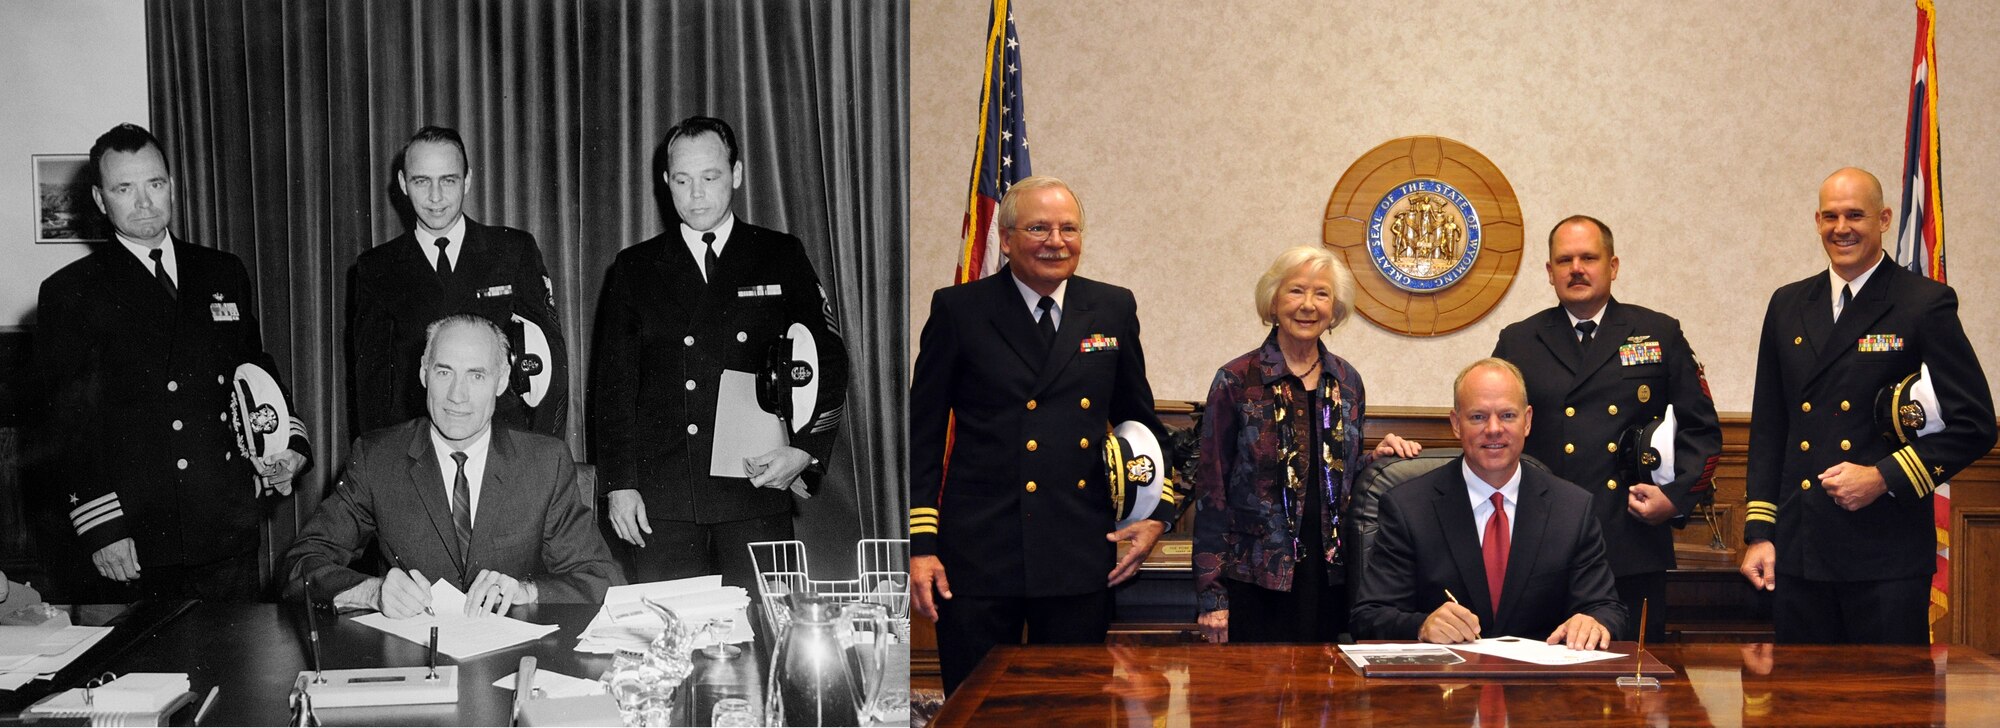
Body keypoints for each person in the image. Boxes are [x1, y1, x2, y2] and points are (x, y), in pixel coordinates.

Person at [908, 175, 1183, 695]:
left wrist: (1156, 518)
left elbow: (1139, 420)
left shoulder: (1112, 307)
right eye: (1038, 228)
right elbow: (922, 438)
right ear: (1006, 239)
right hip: (980, 553)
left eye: (1068, 228)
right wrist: (922, 545)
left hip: (1076, 550)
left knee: (1073, 706)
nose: (1056, 241)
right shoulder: (959, 310)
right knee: (976, 707)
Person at [35, 123, 310, 601]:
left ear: (172, 187)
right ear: (101, 200)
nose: (144, 202)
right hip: (136, 536)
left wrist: (285, 443)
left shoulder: (221, 271)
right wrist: (102, 528)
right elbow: (66, 426)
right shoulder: (71, 292)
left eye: (154, 184)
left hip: (224, 524)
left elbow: (254, 369)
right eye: (125, 188)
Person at [1739, 167, 1995, 644]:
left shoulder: (1922, 303)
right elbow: (1771, 428)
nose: (1842, 228)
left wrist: (1882, 477)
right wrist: (1760, 531)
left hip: (1885, 556)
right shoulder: (1788, 304)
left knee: (1888, 711)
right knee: (1800, 710)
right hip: (1800, 552)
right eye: (1830, 216)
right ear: (1816, 221)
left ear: (1884, 218)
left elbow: (1975, 424)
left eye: (1855, 215)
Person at [591, 116, 849, 589]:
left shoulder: (779, 254)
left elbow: (828, 360)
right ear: (665, 182)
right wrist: (618, 484)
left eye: (709, 178)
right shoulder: (636, 268)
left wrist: (807, 452)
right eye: (682, 181)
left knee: (766, 631)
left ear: (736, 174)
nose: (696, 195)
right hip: (663, 497)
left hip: (754, 485)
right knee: (668, 644)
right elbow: (613, 388)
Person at [286, 315, 616, 615]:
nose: (457, 395)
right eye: (444, 372)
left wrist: (528, 592)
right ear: (423, 373)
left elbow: (602, 578)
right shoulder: (378, 458)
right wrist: (371, 592)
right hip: (415, 661)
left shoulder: (544, 462)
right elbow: (301, 563)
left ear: (501, 382)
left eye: (476, 375)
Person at [1490, 215, 1721, 641]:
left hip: (1631, 538)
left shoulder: (1657, 332)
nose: (1576, 268)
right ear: (1549, 272)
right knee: (1538, 689)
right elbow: (1493, 433)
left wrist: (1675, 499)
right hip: (1542, 541)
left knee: (1632, 686)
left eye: (1588, 257)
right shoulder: (1519, 340)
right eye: (1564, 260)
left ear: (1612, 266)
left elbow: (1701, 429)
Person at [1192, 246, 1419, 644]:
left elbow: (1333, 476)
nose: (1308, 306)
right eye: (1296, 291)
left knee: (1327, 700)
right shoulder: (1237, 380)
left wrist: (1376, 458)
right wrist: (1213, 596)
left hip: (1331, 577)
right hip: (1255, 581)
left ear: (1335, 308)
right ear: (1274, 301)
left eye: (1322, 294)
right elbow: (1212, 490)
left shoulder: (1347, 381)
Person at [1351, 358, 1626, 648]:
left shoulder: (1572, 509)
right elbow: (1368, 617)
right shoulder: (1408, 507)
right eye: (1478, 417)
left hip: (1539, 688)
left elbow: (1608, 609)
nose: (1494, 429)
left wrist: (1594, 622)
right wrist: (1421, 626)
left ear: (1528, 421)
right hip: (1444, 686)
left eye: (1507, 415)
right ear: (1456, 424)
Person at [350, 126, 568, 439]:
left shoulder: (512, 250)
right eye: (421, 181)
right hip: (416, 453)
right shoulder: (377, 267)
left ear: (466, 181)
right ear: (402, 184)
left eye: (448, 180)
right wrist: (381, 465)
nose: (435, 197)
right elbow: (371, 383)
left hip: (505, 446)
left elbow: (550, 363)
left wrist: (545, 452)